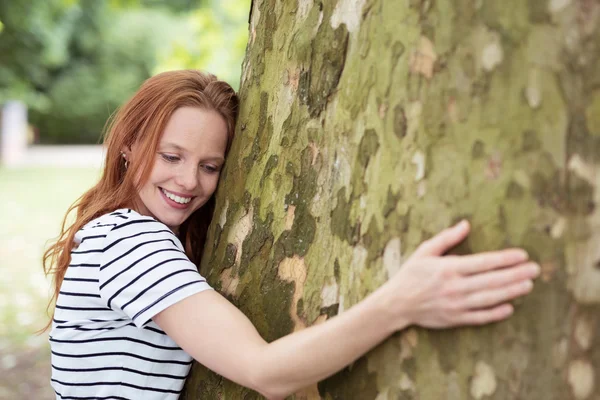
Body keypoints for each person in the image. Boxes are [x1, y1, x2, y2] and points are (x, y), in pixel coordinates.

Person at [44, 70, 540, 400]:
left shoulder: (114, 233)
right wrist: (401, 303)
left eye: (210, 165)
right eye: (171, 156)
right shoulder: (130, 242)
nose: (189, 181)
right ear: (129, 145)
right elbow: (265, 370)